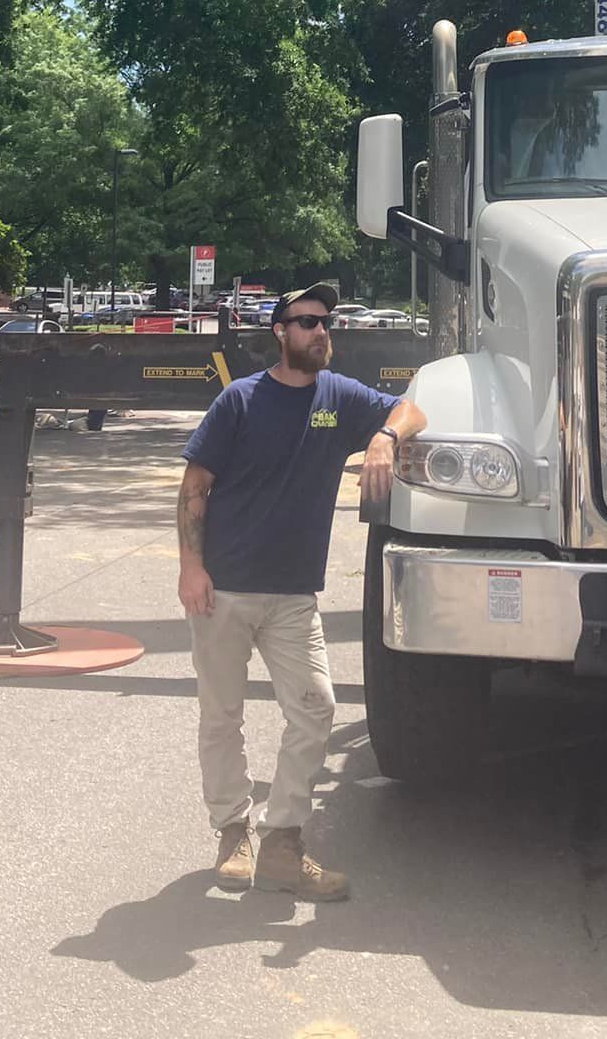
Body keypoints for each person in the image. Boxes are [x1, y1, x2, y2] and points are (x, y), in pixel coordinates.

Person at [176, 281, 427, 901]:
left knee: (315, 709)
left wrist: (383, 438)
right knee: (222, 716)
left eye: (325, 322)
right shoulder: (240, 400)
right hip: (225, 589)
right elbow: (194, 487)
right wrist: (191, 568)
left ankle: (282, 843)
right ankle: (232, 831)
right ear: (280, 333)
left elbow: (413, 409)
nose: (320, 331)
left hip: (293, 595)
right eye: (307, 321)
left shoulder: (338, 396)